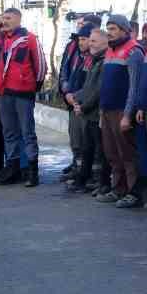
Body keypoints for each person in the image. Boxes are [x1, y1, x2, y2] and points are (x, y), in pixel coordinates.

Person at [0, 9, 45, 186]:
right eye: (3, 18)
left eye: (8, 18)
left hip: (23, 93)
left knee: (27, 132)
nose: (4, 21)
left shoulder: (29, 38)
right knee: (9, 132)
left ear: (18, 19)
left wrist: (32, 88)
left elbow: (41, 66)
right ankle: (13, 168)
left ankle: (32, 171)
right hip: (3, 92)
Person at [96, 14, 144, 206]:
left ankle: (133, 192)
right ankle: (118, 189)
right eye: (108, 29)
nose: (110, 33)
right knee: (112, 153)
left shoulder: (134, 52)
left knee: (127, 154)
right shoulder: (109, 51)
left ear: (125, 30)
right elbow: (104, 85)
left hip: (121, 111)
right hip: (107, 111)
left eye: (114, 29)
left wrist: (127, 115)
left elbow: (134, 86)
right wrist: (101, 112)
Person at [67, 27, 109, 193]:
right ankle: (84, 178)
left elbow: (98, 90)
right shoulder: (95, 60)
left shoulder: (104, 62)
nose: (89, 44)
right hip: (88, 112)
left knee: (99, 151)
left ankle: (99, 181)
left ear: (104, 42)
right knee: (87, 148)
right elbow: (87, 88)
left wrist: (82, 106)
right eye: (89, 40)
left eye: (93, 40)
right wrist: (75, 98)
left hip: (95, 113)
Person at [59, 18, 95, 177]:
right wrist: (66, 92)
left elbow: (90, 86)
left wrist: (76, 98)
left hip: (85, 106)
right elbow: (64, 72)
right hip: (72, 103)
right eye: (79, 39)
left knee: (87, 142)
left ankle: (88, 174)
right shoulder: (75, 52)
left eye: (84, 39)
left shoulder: (94, 59)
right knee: (75, 141)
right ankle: (77, 169)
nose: (81, 42)